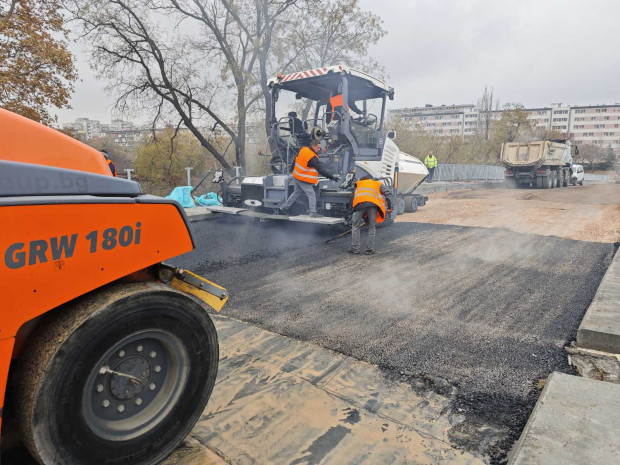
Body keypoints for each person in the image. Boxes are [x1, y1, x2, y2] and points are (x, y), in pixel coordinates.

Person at [280, 139, 340, 217]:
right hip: (302, 178)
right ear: (313, 146)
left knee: (296, 192)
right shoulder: (312, 157)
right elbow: (320, 169)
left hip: (296, 175)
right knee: (311, 194)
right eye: (318, 148)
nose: (319, 149)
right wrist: (331, 177)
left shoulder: (304, 149)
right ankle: (312, 213)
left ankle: (285, 207)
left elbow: (296, 159)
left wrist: (291, 169)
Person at [350, 176, 389, 255]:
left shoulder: (358, 183)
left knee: (355, 226)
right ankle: (369, 249)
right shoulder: (377, 183)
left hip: (359, 204)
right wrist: (390, 206)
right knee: (372, 227)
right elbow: (388, 193)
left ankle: (355, 249)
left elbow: (353, 195)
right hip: (372, 206)